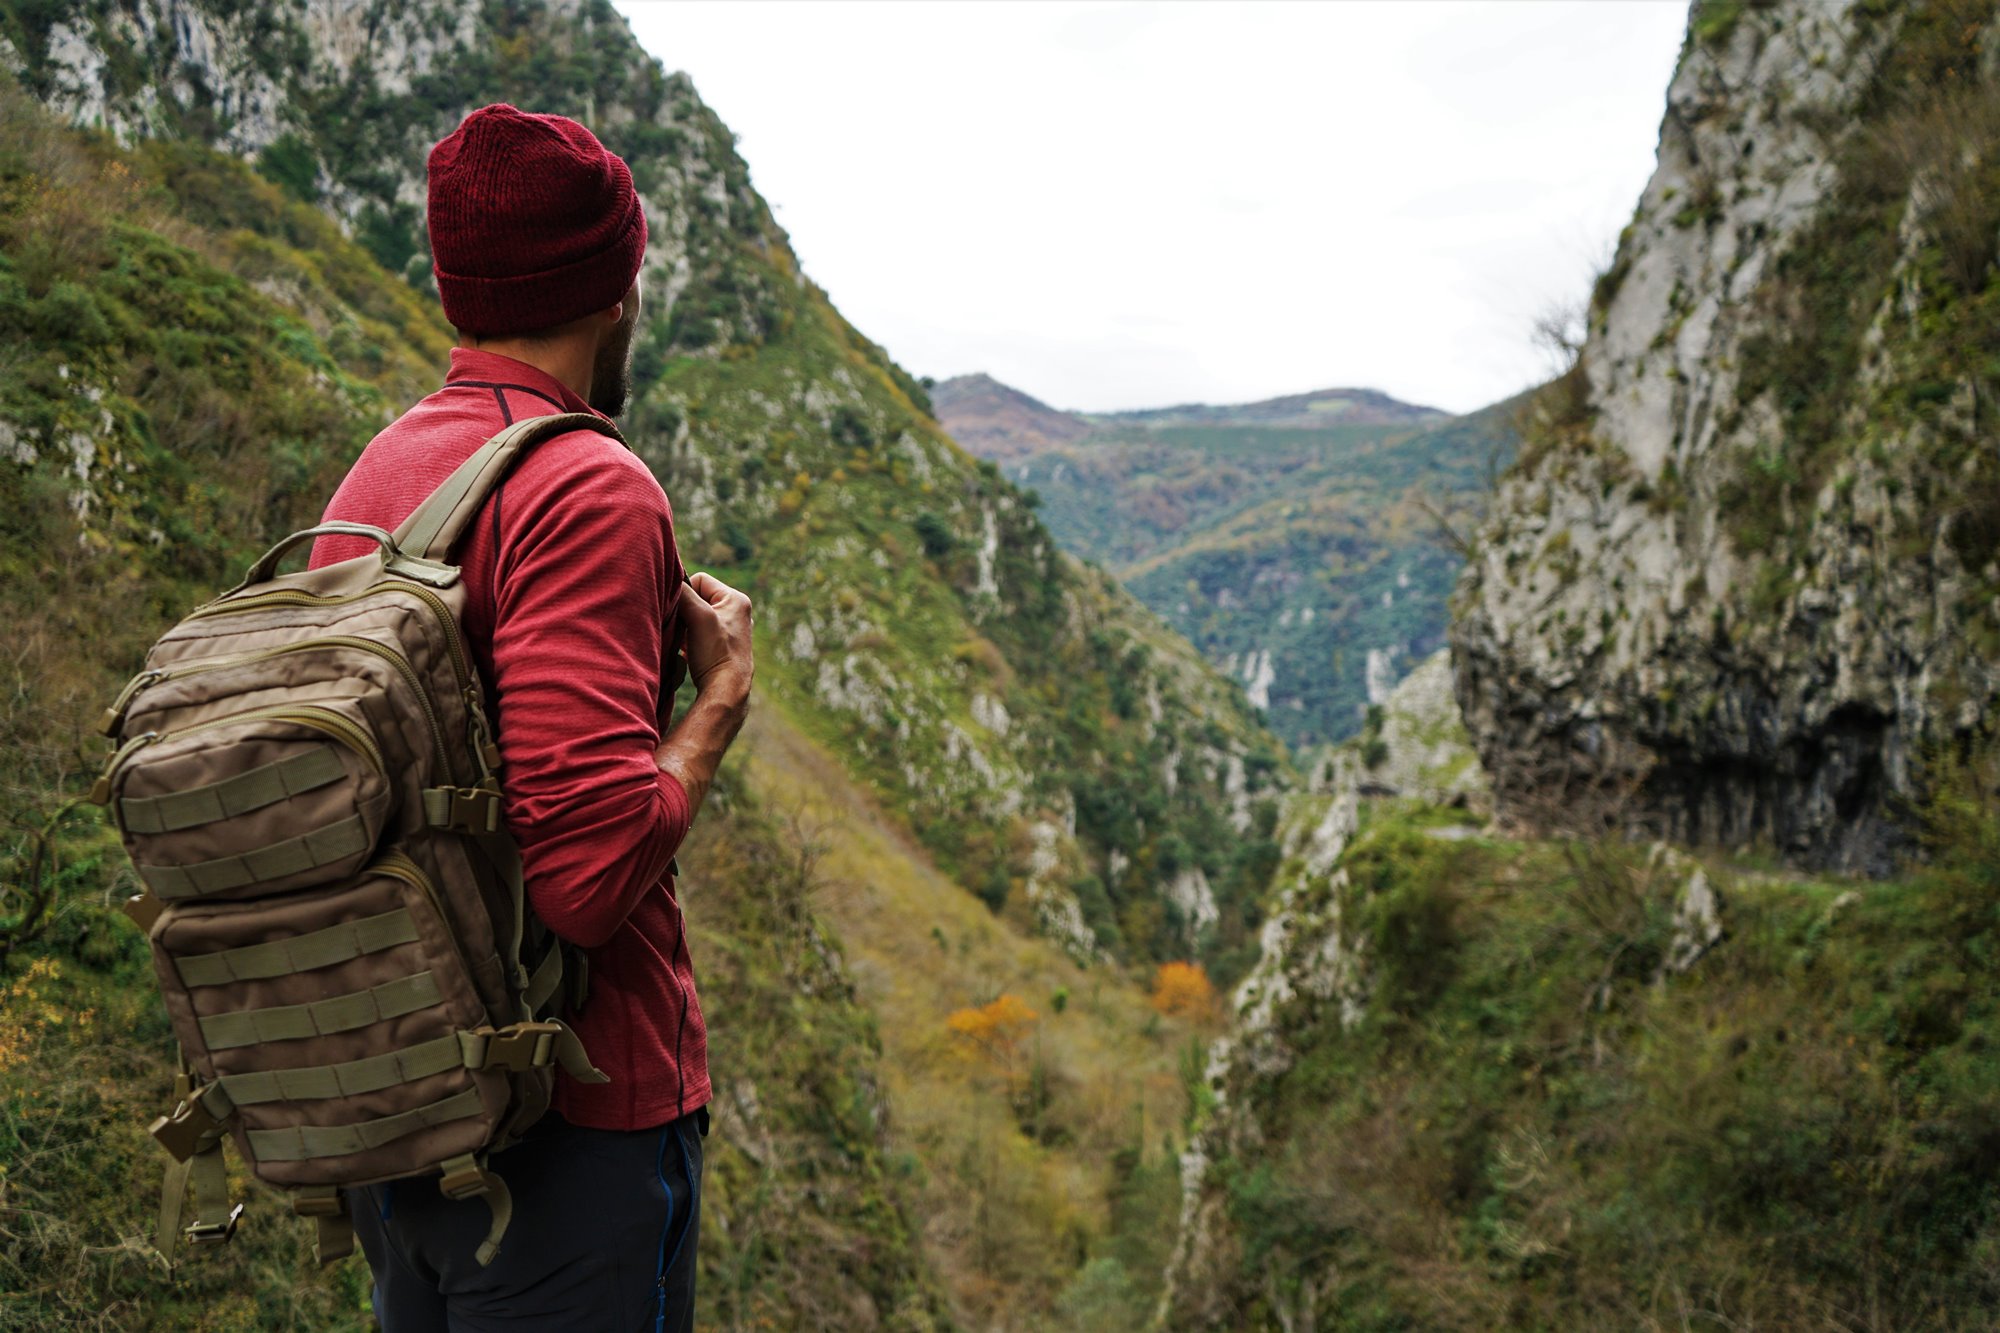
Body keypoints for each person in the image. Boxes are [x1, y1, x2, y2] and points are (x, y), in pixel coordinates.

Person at [307, 102, 752, 1332]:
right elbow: (582, 883)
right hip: (572, 1134)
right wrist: (716, 702)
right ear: (615, 290)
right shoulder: (587, 482)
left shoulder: (380, 475)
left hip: (402, 1110)